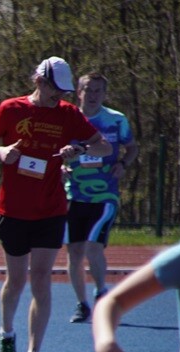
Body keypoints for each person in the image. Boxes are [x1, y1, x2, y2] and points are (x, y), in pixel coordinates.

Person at [0, 56, 111, 352]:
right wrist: (0, 153)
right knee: (16, 280)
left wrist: (79, 149)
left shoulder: (68, 114)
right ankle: (7, 335)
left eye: (65, 91)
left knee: (41, 278)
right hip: (13, 210)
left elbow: (105, 147)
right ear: (40, 81)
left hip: (51, 209)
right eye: (57, 89)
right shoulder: (11, 109)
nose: (61, 96)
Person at [64, 72, 138, 324]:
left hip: (105, 195)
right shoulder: (66, 118)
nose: (93, 95)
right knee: (74, 251)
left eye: (98, 91)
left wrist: (124, 164)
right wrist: (60, 167)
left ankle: (100, 292)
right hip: (73, 194)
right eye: (88, 89)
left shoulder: (116, 120)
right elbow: (54, 150)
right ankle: (81, 303)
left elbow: (132, 147)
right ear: (79, 92)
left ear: (104, 94)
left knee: (93, 246)